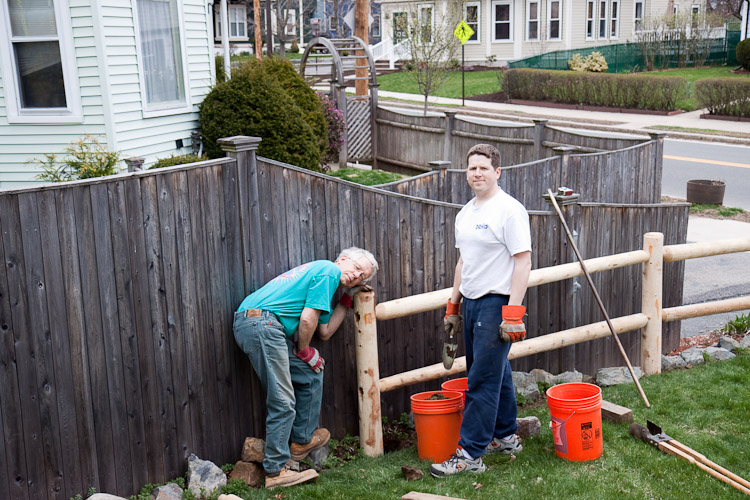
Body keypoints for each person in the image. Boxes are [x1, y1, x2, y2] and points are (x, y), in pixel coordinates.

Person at [233, 247, 378, 488]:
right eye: (357, 268)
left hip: (263, 326)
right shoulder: (328, 270)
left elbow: (324, 331)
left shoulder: (326, 283)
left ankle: (301, 440)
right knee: (282, 399)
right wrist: (303, 350)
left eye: (363, 276)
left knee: (310, 373)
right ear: (343, 259)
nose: (358, 276)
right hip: (261, 324)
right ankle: (276, 471)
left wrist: (345, 300)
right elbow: (308, 320)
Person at [430, 144, 532, 477]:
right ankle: (504, 436)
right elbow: (463, 262)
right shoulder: (466, 213)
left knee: (481, 381)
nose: (477, 173)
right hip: (472, 302)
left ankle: (469, 455)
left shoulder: (509, 210)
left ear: (497, 172)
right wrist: (454, 304)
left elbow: (523, 261)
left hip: (497, 302)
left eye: (484, 168)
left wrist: (513, 311)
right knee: (495, 372)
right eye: (472, 168)